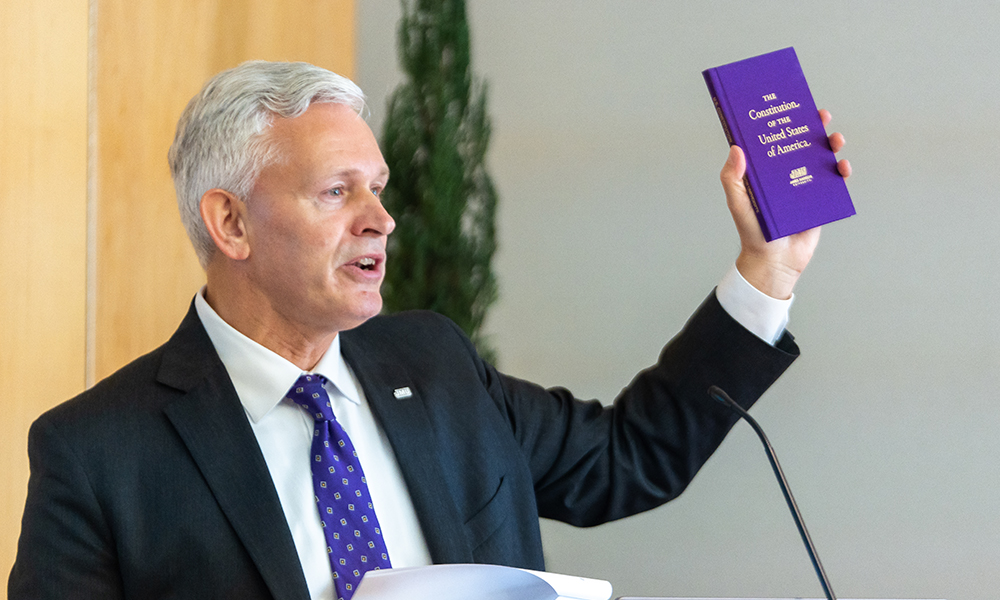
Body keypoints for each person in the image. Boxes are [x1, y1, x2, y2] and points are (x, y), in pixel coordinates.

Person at [8, 60, 850, 600]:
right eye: (338, 192)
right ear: (230, 224)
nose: (381, 219)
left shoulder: (434, 361)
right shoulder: (98, 453)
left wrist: (768, 269)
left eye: (376, 189)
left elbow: (631, 459)